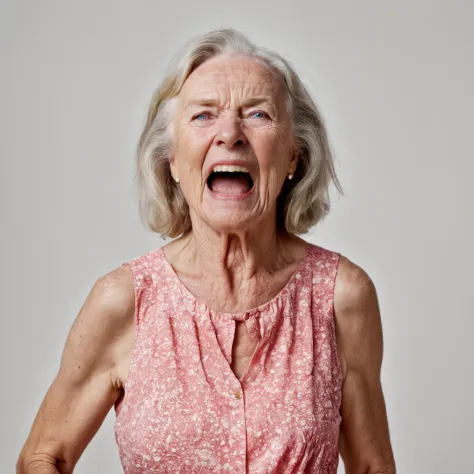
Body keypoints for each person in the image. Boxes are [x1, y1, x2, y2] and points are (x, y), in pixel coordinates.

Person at [16, 27, 396, 473]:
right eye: (203, 116)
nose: (230, 134)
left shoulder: (340, 297)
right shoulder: (124, 302)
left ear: (294, 155)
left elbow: (373, 466)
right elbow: (45, 457)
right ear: (172, 159)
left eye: (257, 115)